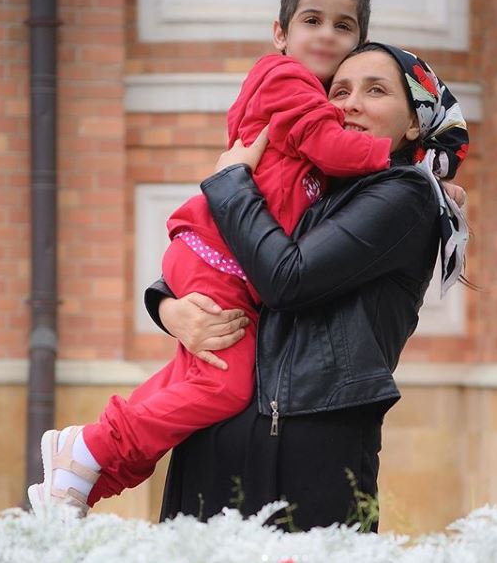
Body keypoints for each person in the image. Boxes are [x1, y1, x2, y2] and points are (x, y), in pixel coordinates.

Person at [26, 0, 408, 516]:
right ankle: (88, 450)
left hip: (223, 264)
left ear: (359, 42)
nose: (326, 34)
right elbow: (325, 147)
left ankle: (83, 468)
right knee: (221, 387)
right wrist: (404, 158)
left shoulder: (361, 160)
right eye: (312, 20)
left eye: (342, 26)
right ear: (280, 34)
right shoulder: (287, 81)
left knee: (194, 376)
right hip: (218, 255)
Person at [145, 42, 469, 531]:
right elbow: (217, 255)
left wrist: (231, 181)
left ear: (412, 122)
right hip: (212, 437)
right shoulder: (305, 183)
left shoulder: (406, 193)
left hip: (305, 461)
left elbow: (287, 278)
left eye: (375, 90)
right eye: (339, 91)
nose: (351, 103)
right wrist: (168, 306)